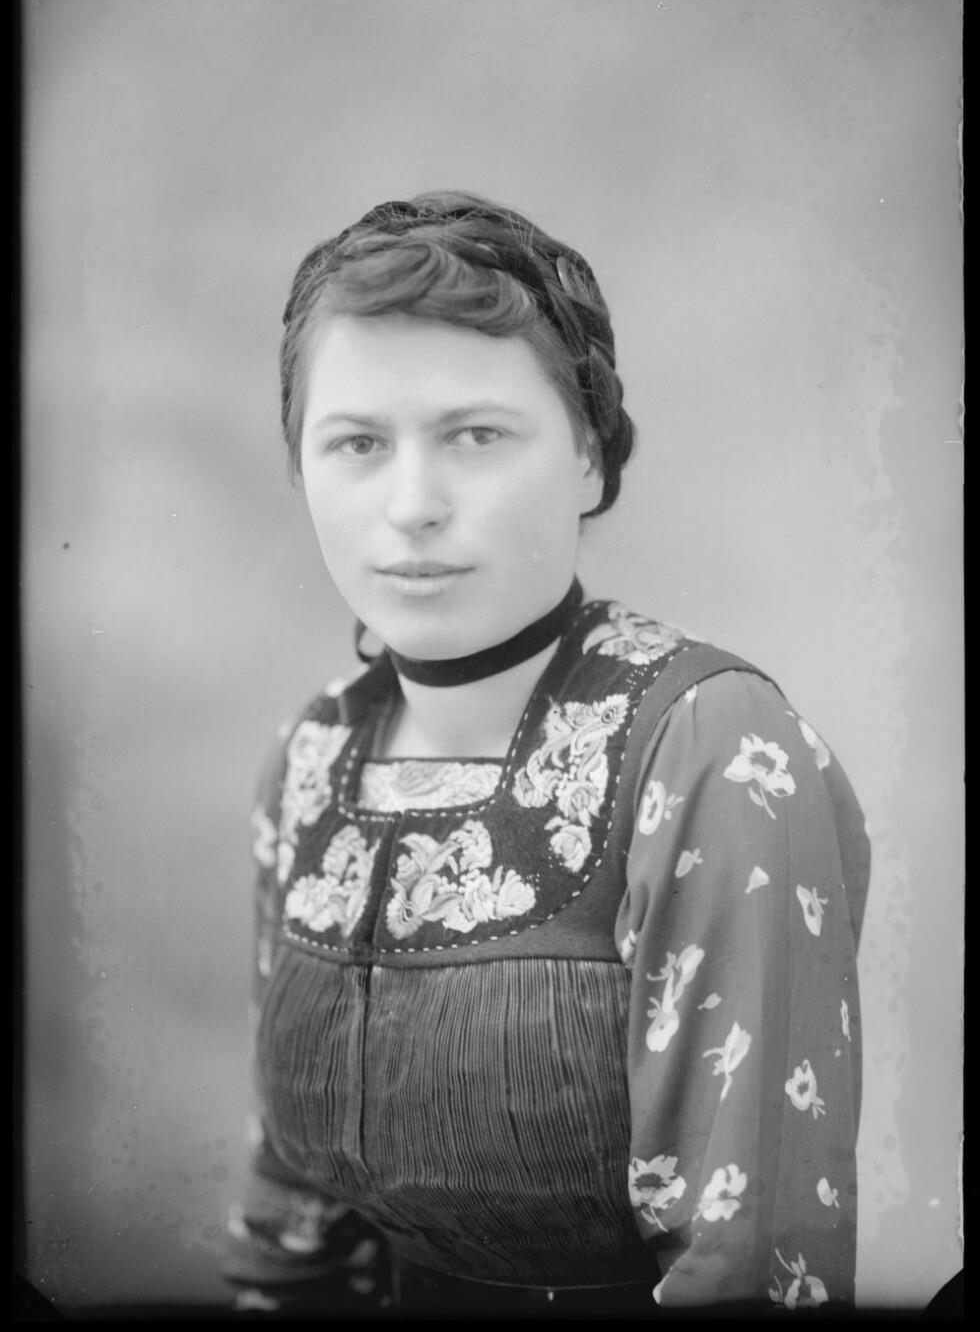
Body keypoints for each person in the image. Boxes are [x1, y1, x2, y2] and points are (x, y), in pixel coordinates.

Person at [222, 192, 871, 1318]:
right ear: (300, 468)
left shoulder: (710, 747)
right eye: (358, 443)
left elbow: (749, 1260)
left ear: (586, 459)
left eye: (476, 436)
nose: (413, 506)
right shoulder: (316, 751)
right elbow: (288, 1228)